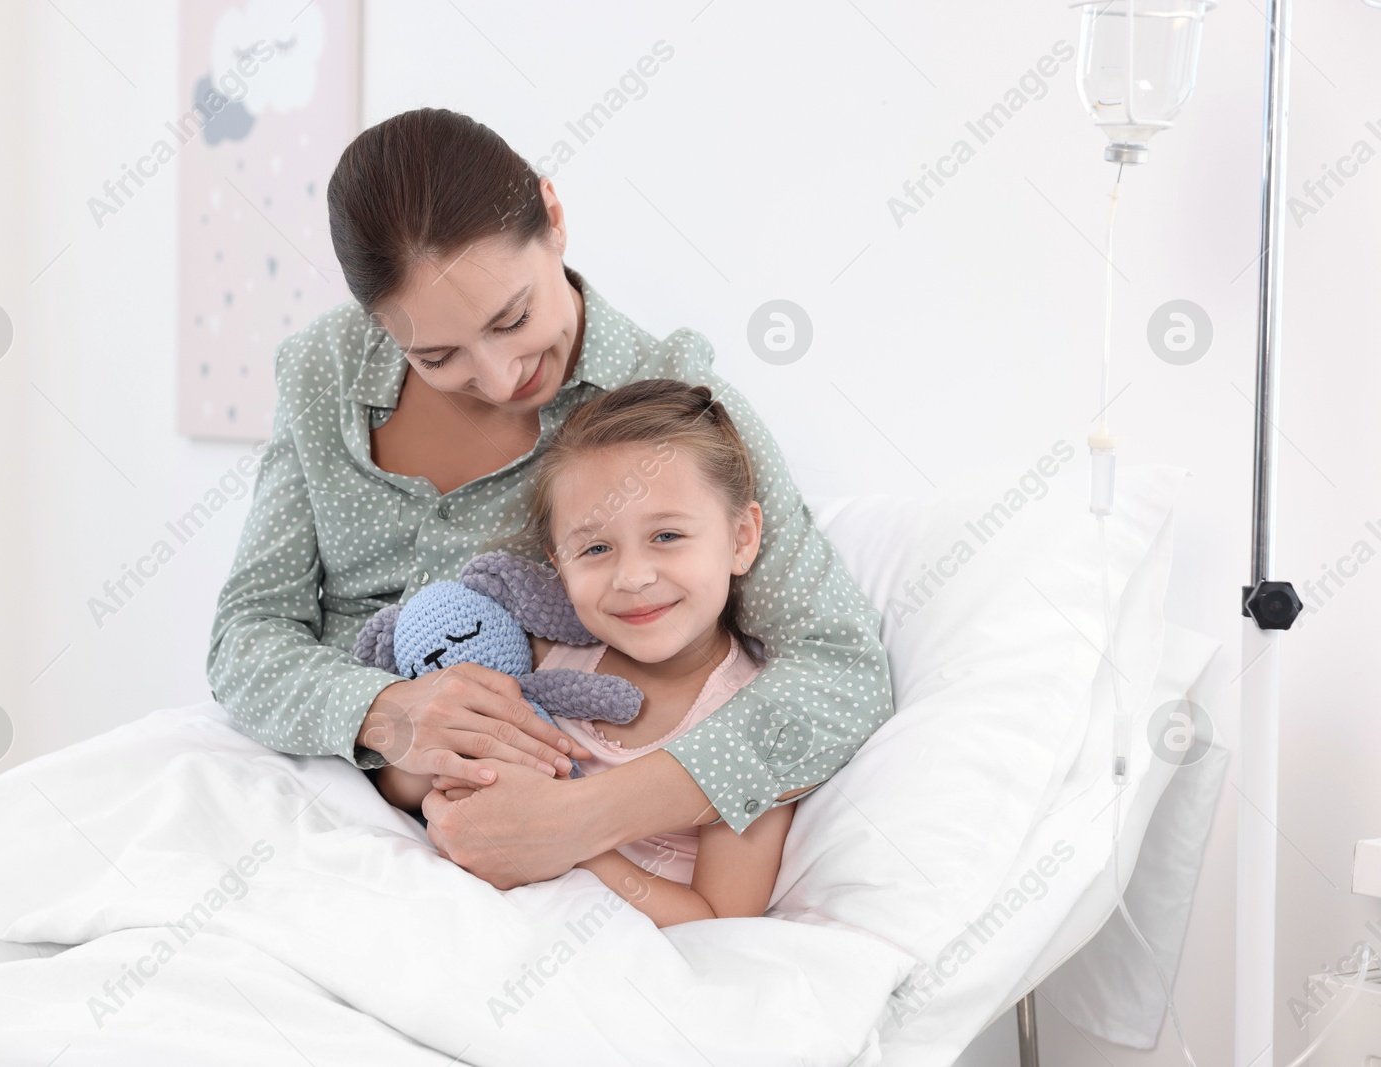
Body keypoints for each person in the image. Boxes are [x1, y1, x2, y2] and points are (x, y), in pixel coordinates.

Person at [204, 106, 894, 891]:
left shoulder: (664, 408)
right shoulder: (321, 370)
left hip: (528, 822)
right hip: (311, 778)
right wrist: (388, 713)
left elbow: (841, 669)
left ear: (554, 219)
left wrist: (589, 815)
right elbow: (249, 632)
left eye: (513, 317)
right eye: (437, 355)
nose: (500, 379)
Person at [377, 378, 793, 927]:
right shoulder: (544, 656)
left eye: (667, 536)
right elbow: (401, 785)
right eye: (595, 548)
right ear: (558, 563)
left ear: (741, 537)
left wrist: (561, 838)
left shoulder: (754, 724)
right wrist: (443, 773)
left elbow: (718, 917)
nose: (634, 576)